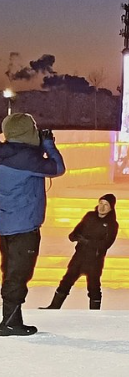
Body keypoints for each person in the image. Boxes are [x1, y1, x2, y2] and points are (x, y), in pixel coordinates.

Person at [0, 113, 66, 336]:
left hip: (4, 224)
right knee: (18, 274)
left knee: (10, 271)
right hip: (24, 227)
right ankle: (10, 322)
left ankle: (11, 319)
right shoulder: (29, 160)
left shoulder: (4, 153)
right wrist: (48, 143)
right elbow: (57, 168)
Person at [43, 194, 118, 310]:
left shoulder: (112, 224)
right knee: (66, 281)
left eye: (106, 205)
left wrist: (87, 242)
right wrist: (73, 236)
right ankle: (54, 306)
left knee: (93, 286)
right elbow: (77, 230)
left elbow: (106, 244)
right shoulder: (90, 216)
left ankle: (94, 313)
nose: (102, 207)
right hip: (79, 257)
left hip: (94, 260)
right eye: (100, 203)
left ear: (111, 208)